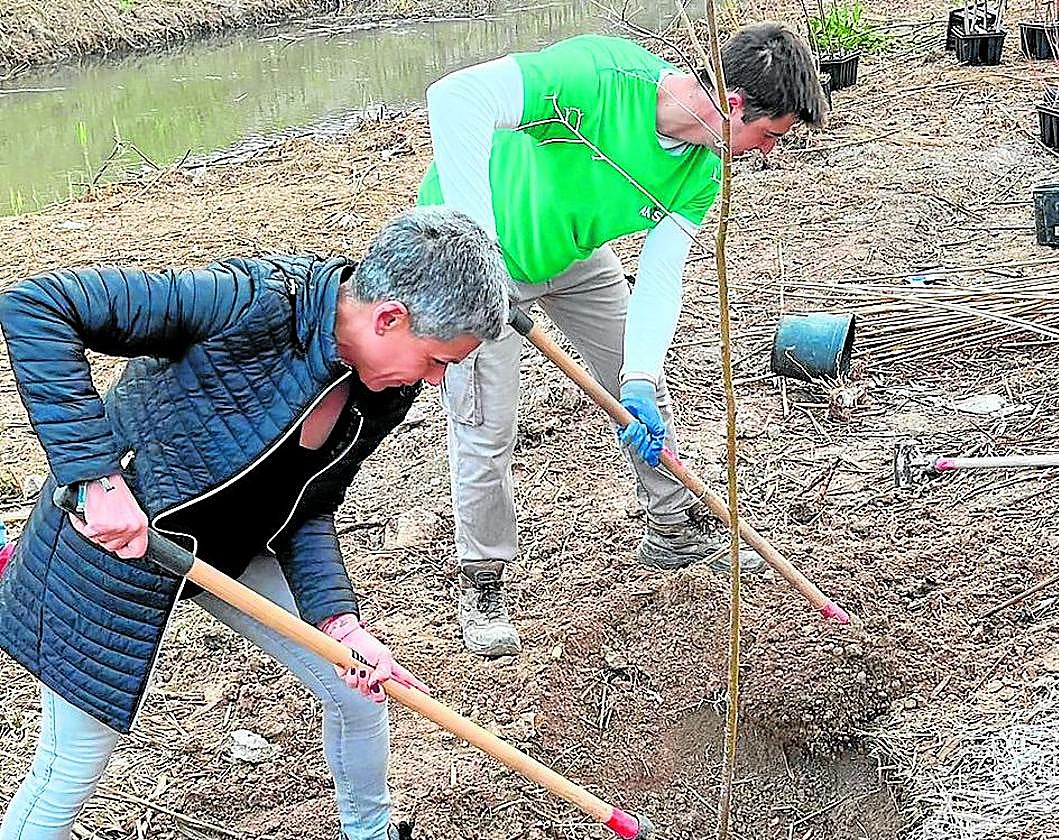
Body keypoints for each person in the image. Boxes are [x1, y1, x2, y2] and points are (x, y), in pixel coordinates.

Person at [0, 208, 511, 840]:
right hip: (105, 543)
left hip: (232, 547)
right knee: (73, 761)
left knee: (357, 690)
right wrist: (97, 480)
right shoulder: (248, 302)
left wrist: (338, 621)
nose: (434, 380)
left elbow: (310, 501)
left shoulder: (382, 386)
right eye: (437, 360)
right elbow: (37, 306)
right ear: (389, 319)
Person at [419, 22, 827, 656]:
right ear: (736, 104)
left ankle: (672, 527)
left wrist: (637, 377)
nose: (768, 153)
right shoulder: (596, 78)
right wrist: (476, 246)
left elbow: (662, 275)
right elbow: (453, 98)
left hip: (576, 256)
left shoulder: (700, 170)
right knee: (487, 425)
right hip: (476, 259)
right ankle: (484, 583)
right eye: (770, 137)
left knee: (642, 389)